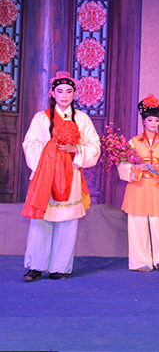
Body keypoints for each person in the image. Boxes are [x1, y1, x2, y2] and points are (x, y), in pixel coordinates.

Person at [21, 71, 101, 281]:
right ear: (52, 93)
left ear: (74, 94)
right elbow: (30, 143)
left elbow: (94, 146)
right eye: (60, 91)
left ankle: (59, 268)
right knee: (41, 220)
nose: (64, 95)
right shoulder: (42, 118)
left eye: (68, 91)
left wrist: (76, 150)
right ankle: (35, 266)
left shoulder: (82, 119)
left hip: (70, 176)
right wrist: (50, 152)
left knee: (67, 222)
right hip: (45, 175)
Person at [118, 94, 159, 273]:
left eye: (156, 120)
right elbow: (123, 164)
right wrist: (138, 168)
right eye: (150, 120)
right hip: (138, 186)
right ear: (143, 121)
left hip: (156, 186)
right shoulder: (133, 142)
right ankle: (141, 261)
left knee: (157, 223)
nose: (153, 123)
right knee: (138, 222)